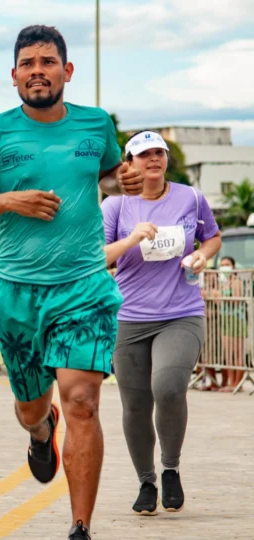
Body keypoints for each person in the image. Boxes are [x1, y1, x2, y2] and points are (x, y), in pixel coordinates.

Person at [0, 25, 145, 540]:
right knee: (34, 406)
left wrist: (118, 180)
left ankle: (80, 527)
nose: (38, 70)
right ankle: (40, 431)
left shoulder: (97, 125)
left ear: (67, 71)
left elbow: (106, 174)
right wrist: (10, 200)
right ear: (14, 76)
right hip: (17, 291)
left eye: (48, 61)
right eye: (28, 63)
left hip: (83, 284)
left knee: (81, 399)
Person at [102, 130, 222, 516]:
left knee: (168, 387)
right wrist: (131, 240)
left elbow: (213, 237)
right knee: (135, 405)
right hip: (129, 318)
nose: (153, 159)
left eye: (159, 152)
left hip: (181, 313)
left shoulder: (190, 197)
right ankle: (146, 481)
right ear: (129, 162)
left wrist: (203, 255)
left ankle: (170, 468)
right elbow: (96, 257)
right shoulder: (115, 205)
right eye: (144, 154)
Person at [209, 256, 247, 392]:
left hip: (236, 319)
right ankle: (231, 383)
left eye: (227, 264)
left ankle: (238, 384)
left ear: (233, 266)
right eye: (222, 264)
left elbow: (235, 300)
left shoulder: (236, 281)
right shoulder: (221, 283)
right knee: (228, 354)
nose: (224, 267)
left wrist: (219, 295)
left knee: (237, 353)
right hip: (224, 319)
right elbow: (218, 302)